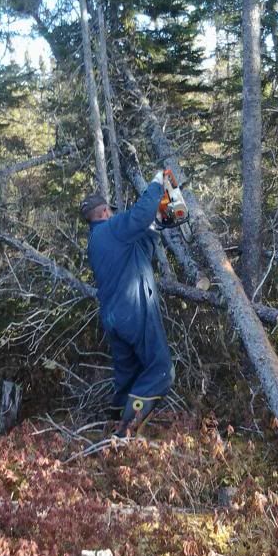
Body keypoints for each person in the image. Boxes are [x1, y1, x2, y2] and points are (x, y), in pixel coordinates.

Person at [81, 172, 175, 436]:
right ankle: (125, 433)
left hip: (113, 319)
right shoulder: (111, 228)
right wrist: (157, 184)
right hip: (134, 311)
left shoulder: (97, 241)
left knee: (129, 377)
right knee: (161, 372)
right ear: (103, 213)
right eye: (111, 212)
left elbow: (139, 252)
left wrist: (154, 229)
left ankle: (110, 429)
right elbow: (139, 215)